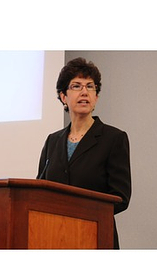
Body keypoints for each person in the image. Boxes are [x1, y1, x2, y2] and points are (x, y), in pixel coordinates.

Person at [37, 57, 131, 249]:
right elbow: (40, 191)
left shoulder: (113, 138)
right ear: (63, 96)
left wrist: (80, 213)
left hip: (94, 236)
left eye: (90, 86)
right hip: (54, 236)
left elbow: (120, 197)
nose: (84, 92)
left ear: (96, 97)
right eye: (76, 86)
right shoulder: (52, 141)